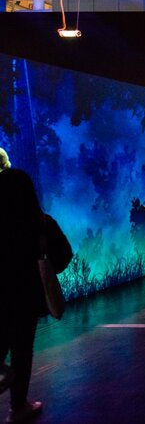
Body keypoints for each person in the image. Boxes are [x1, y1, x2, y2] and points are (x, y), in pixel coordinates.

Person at [0, 169, 71, 423]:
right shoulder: (40, 222)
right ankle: (18, 407)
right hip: (26, 297)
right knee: (22, 349)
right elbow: (63, 255)